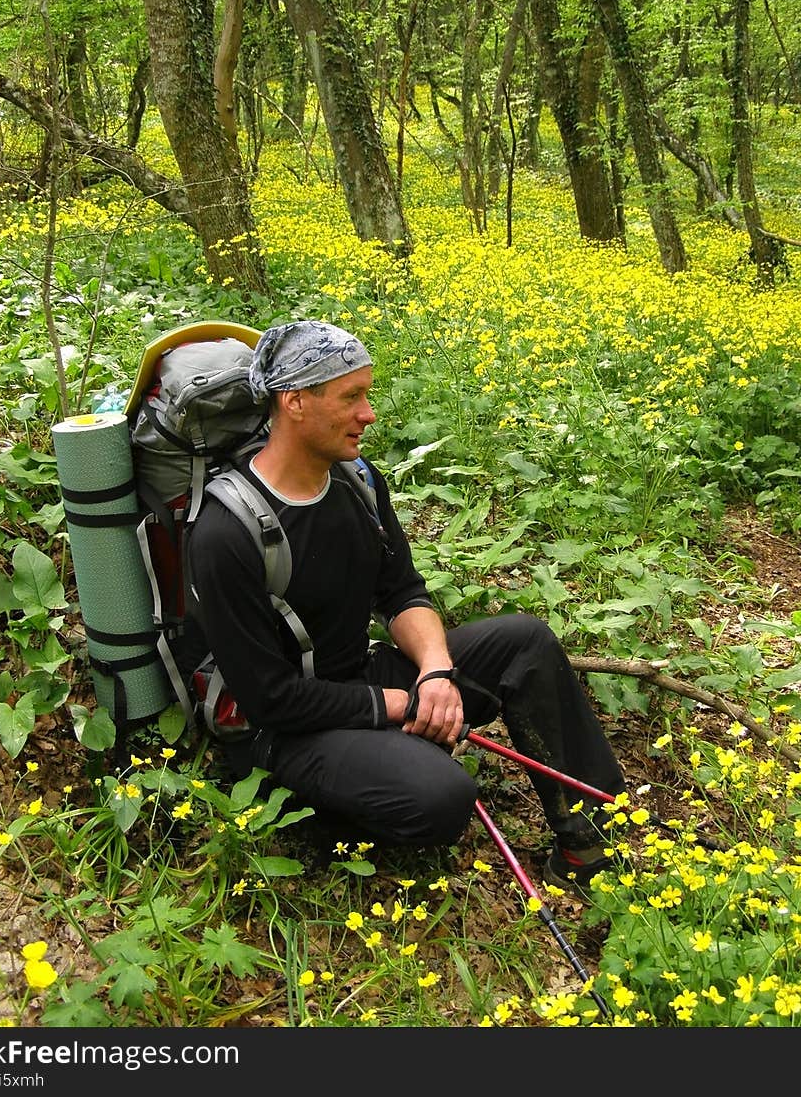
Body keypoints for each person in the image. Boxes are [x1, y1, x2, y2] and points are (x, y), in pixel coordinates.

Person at [188, 320, 626, 893]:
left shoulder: (358, 482)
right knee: (443, 796)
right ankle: (323, 821)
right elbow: (271, 699)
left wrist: (437, 673)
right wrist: (403, 705)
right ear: (294, 401)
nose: (368, 414)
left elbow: (400, 591)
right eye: (352, 397)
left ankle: (589, 835)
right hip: (289, 730)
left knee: (525, 642)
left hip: (361, 676)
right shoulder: (227, 534)